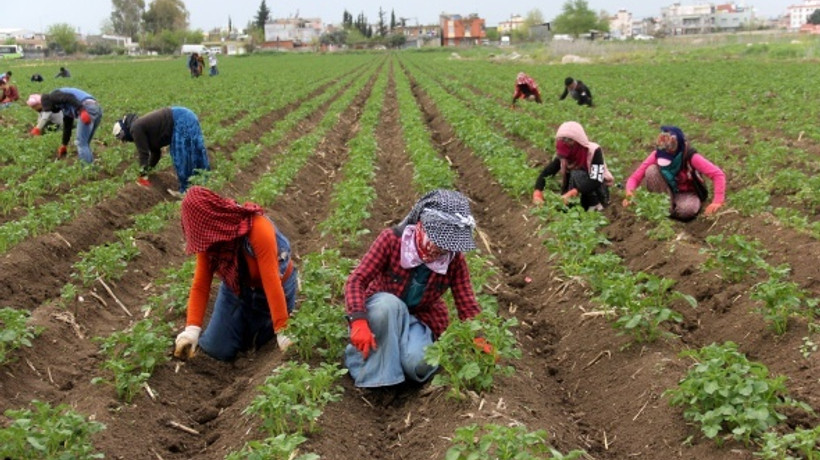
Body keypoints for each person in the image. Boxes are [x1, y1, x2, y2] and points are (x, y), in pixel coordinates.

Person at [344, 189, 489, 388]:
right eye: (438, 241)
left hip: (419, 319)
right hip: (384, 313)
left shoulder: (453, 261)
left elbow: (466, 304)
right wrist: (358, 319)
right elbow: (357, 280)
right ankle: (378, 381)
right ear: (421, 225)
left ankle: (400, 370)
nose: (441, 249)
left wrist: (479, 338)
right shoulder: (392, 241)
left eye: (447, 245)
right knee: (388, 304)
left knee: (420, 365)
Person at [173, 186, 299, 361]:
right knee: (216, 349)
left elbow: (271, 281)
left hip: (273, 288)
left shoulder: (257, 229)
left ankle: (265, 328)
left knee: (262, 344)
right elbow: (201, 285)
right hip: (237, 287)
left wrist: (283, 329)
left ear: (212, 221)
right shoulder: (209, 240)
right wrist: (191, 330)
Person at [622, 126, 726, 221]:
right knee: (651, 170)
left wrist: (717, 201)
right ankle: (665, 208)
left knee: (688, 210)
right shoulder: (656, 155)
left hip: (686, 193)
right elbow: (634, 178)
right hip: (666, 191)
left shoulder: (691, 157)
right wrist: (629, 194)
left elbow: (718, 174)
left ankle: (672, 212)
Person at [112, 107, 211, 195]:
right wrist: (148, 170)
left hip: (181, 119)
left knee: (182, 155)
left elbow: (143, 154)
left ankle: (186, 191)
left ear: (124, 131)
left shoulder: (135, 128)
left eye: (123, 138)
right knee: (194, 151)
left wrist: (143, 176)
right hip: (187, 116)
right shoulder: (141, 127)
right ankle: (201, 186)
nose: (125, 141)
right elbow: (156, 154)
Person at [532, 121, 614, 211]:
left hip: (598, 191)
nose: (565, 158)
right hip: (577, 192)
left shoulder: (593, 151)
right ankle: (576, 207)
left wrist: (573, 192)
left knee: (577, 173)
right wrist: (537, 192)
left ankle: (595, 205)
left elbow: (596, 179)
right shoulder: (564, 155)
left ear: (576, 144)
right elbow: (547, 172)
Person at [29, 88, 102, 162]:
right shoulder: (65, 109)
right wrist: (64, 144)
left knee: (81, 143)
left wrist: (82, 110)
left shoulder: (53, 96)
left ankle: (86, 169)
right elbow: (67, 127)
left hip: (87, 107)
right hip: (95, 107)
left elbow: (69, 97)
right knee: (85, 143)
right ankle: (90, 167)